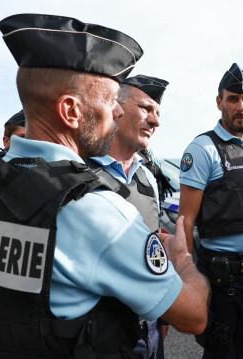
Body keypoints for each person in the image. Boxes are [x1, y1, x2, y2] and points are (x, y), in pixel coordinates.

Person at [0, 13, 209, 359]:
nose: (118, 113)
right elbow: (193, 316)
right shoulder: (93, 211)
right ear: (71, 111)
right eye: (109, 101)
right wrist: (181, 259)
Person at [178, 63, 243, 359]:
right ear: (219, 102)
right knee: (221, 352)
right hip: (224, 280)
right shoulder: (203, 149)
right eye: (232, 99)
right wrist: (186, 274)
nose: (241, 106)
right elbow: (185, 220)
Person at [88, 74, 171, 359]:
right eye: (147, 109)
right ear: (116, 108)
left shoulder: (147, 176)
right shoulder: (80, 174)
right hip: (101, 331)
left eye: (158, 113)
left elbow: (156, 245)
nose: (156, 121)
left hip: (148, 325)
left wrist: (164, 314)